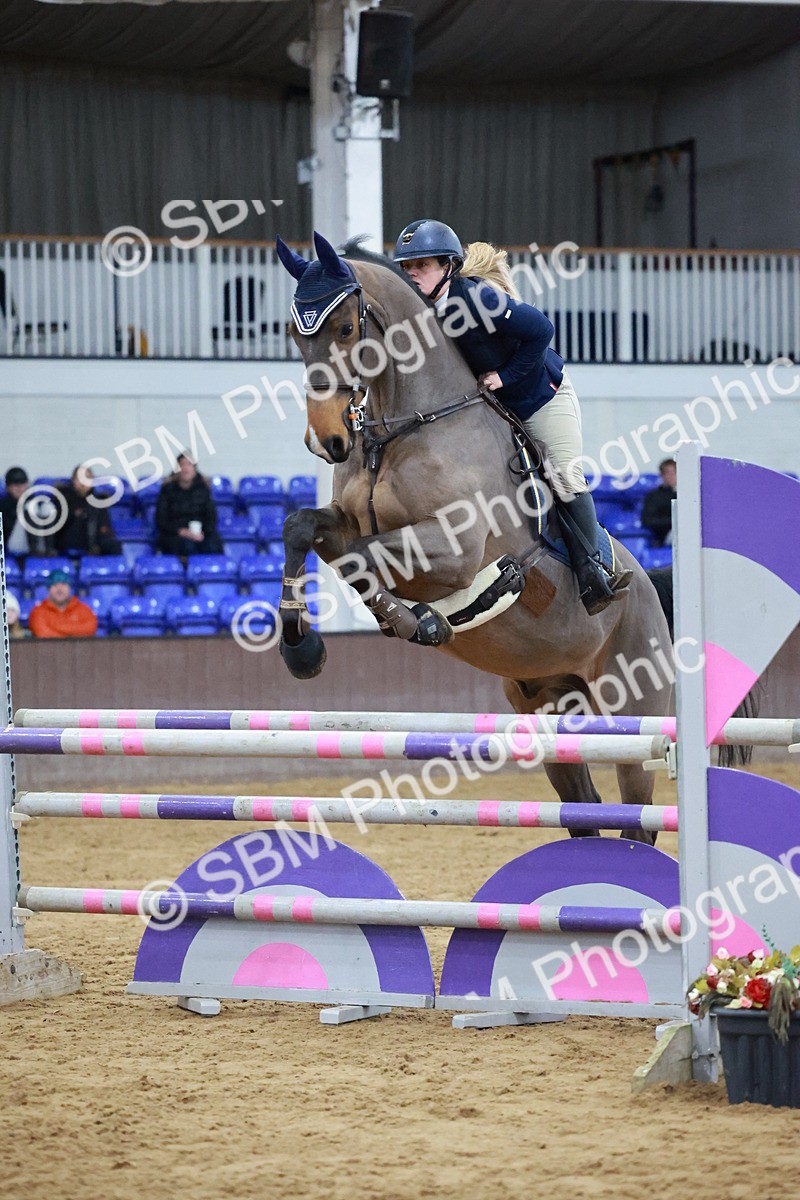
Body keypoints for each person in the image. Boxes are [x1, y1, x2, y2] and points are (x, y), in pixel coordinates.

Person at [393, 219, 631, 615]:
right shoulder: (422, 313)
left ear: (448, 266)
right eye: (407, 267)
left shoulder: (477, 299)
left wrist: (505, 376)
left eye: (422, 265)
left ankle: (597, 571)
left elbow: (541, 330)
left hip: (540, 399)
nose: (412, 274)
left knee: (565, 476)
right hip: (493, 409)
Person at [155, 454, 223, 558]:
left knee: (212, 546)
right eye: (182, 465)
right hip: (175, 534)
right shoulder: (167, 490)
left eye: (189, 464)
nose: (186, 468)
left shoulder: (203, 489)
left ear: (195, 468)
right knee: (187, 547)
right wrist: (182, 531)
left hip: (200, 534)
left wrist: (203, 533)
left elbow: (211, 517)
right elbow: (161, 520)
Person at [55, 465, 122, 557]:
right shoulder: (63, 499)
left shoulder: (99, 500)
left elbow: (105, 526)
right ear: (73, 480)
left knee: (113, 545)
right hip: (70, 538)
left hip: (96, 540)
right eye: (80, 478)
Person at [1, 466, 56, 559]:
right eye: (15, 485)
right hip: (14, 544)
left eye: (22, 484)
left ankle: (48, 549)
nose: (19, 488)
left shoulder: (34, 500)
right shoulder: (3, 504)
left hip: (39, 541)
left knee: (47, 507)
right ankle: (36, 550)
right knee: (30, 508)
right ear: (8, 487)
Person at [28, 569, 97, 639]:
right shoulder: (38, 612)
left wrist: (55, 627)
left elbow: (90, 629)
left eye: (64, 584)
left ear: (69, 588)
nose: (59, 589)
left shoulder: (84, 610)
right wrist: (74, 632)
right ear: (48, 589)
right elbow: (42, 633)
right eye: (54, 584)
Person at [641, 458, 676, 546]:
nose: (672, 476)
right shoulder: (654, 496)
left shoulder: (686, 495)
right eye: (668, 473)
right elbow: (647, 520)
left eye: (675, 472)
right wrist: (673, 521)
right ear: (662, 475)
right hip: (666, 534)